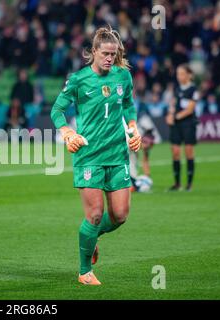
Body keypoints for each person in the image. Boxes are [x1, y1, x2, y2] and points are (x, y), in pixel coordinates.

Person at [50, 26, 141, 286]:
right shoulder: (78, 80)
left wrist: (133, 128)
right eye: (105, 53)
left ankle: (93, 237)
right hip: (88, 154)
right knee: (95, 215)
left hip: (118, 154)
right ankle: (84, 271)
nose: (110, 58)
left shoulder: (123, 77)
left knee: (120, 215)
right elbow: (57, 110)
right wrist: (67, 132)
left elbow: (128, 106)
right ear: (93, 52)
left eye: (114, 53)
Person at [166, 64, 199, 191]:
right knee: (175, 152)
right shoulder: (177, 88)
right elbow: (173, 103)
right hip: (177, 124)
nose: (179, 76)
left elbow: (190, 109)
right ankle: (177, 183)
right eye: (178, 74)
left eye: (181, 74)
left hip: (188, 124)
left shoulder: (193, 90)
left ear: (188, 75)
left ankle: (189, 184)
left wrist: (175, 116)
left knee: (189, 152)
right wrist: (170, 114)